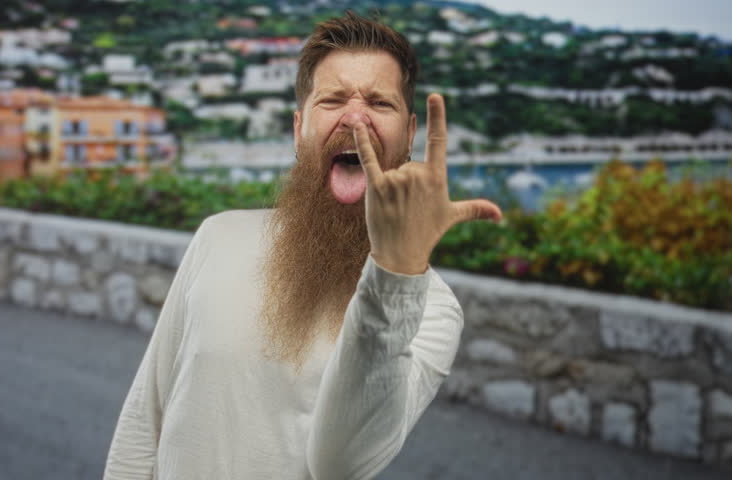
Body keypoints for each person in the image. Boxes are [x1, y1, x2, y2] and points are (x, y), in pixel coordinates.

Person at [104, 11, 502, 480]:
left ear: (410, 134)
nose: (356, 119)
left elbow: (341, 463)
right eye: (333, 99)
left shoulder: (432, 307)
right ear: (299, 129)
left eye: (380, 103)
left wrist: (395, 273)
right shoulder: (218, 236)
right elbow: (145, 419)